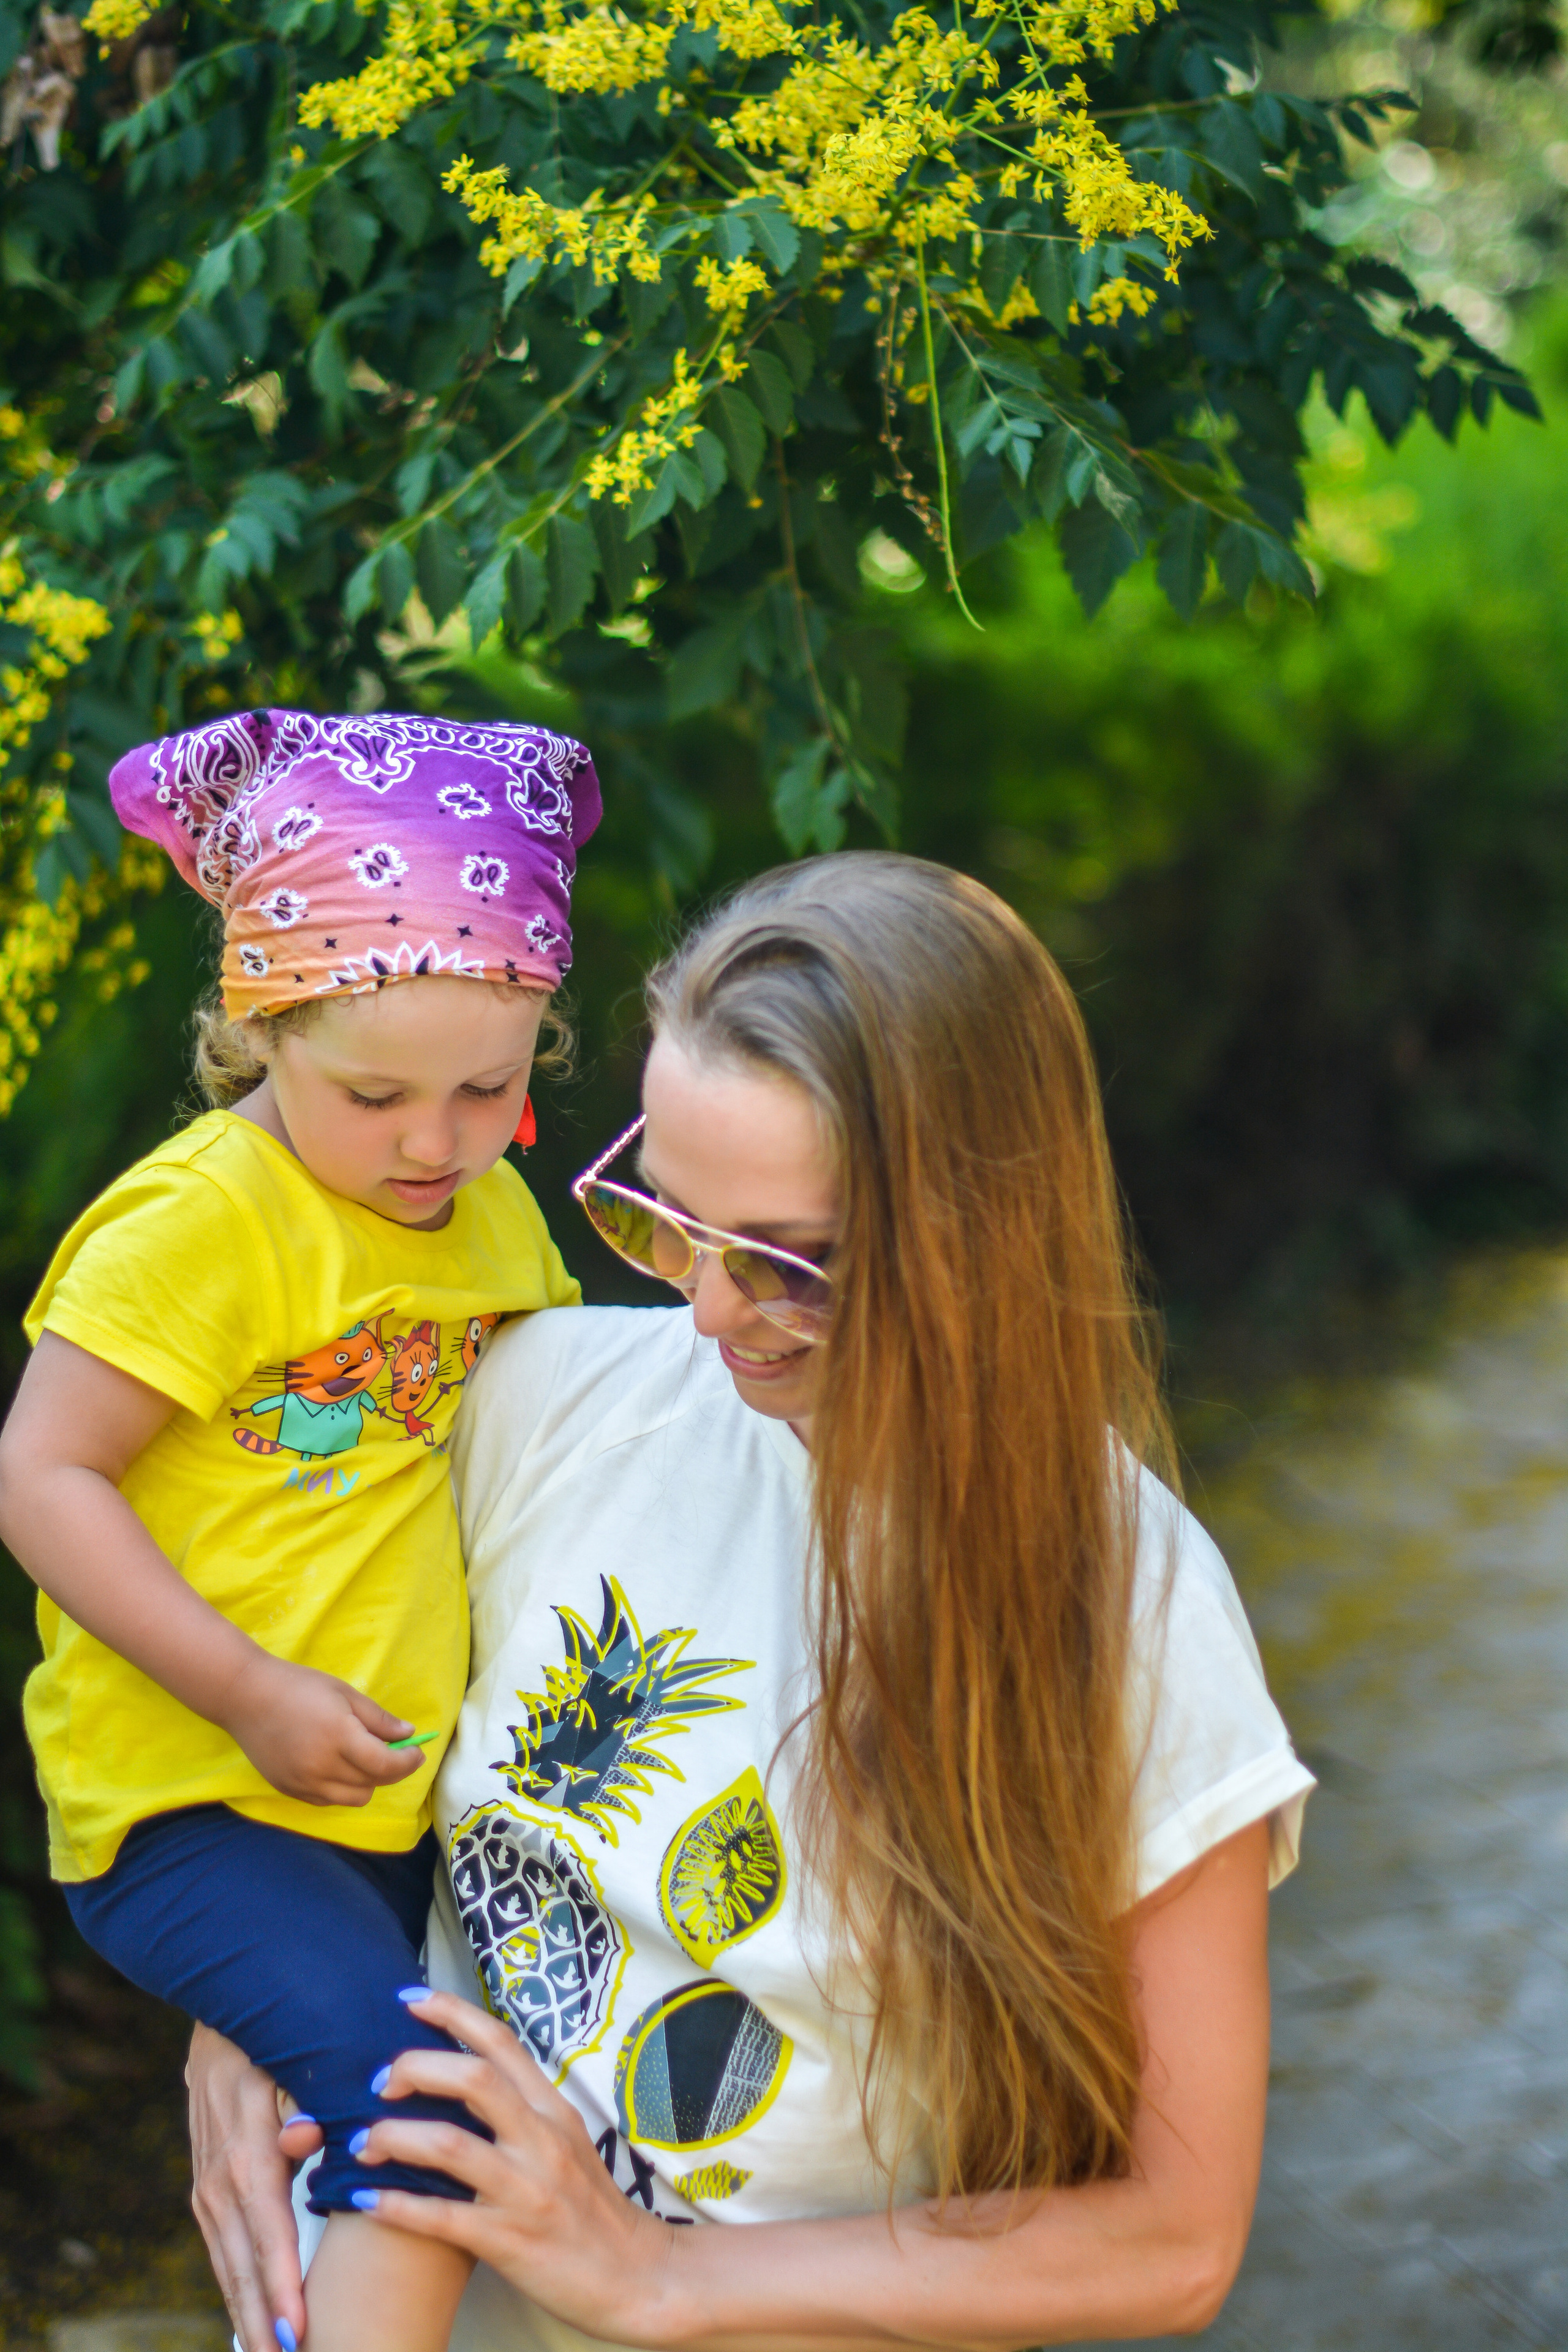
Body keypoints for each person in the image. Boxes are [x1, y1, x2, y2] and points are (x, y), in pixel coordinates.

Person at [187, 851, 1315, 2352]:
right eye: (669, 1217)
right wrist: (238, 2009)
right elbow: (323, 1735)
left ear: (981, 1234)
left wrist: (657, 2279)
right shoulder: (543, 1401)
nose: (706, 1314)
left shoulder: (1133, 1609)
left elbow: (1172, 2241)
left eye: (795, 1261)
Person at [0, 709, 601, 2352]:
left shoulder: (487, 1210)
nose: (434, 1142)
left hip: (392, 1805)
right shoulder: (202, 1222)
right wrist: (250, 1687)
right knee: (426, 2114)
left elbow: (557, 1431)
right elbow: (43, 1477)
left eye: (490, 1087)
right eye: (376, 1094)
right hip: (197, 1807)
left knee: (472, 2115)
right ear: (258, 1026)